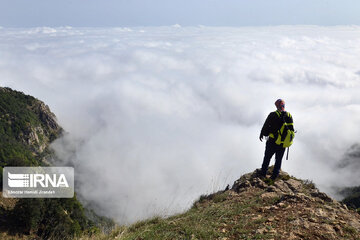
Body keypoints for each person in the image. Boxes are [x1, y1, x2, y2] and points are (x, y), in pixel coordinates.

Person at [259, 99, 294, 180]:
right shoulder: (289, 115)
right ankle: (274, 176)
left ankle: (263, 174)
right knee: (278, 159)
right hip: (283, 143)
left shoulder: (273, 115)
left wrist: (262, 134)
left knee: (267, 157)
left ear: (277, 106)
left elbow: (266, 126)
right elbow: (292, 129)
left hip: (272, 141)